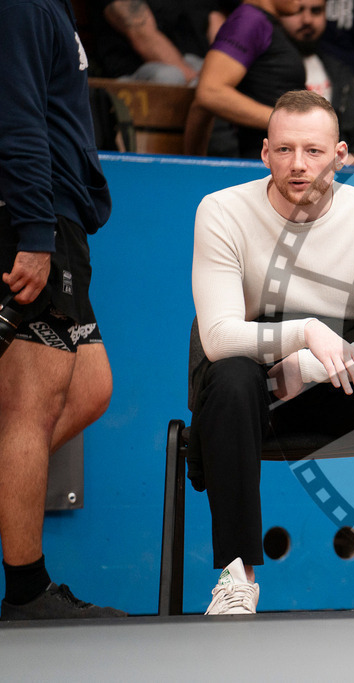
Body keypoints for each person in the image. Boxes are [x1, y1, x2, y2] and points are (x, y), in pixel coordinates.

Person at [191, 90, 354, 613]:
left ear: (341, 155)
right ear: (264, 153)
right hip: (253, 385)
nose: (297, 165)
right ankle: (236, 577)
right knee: (231, 377)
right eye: (284, 150)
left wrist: (310, 365)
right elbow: (219, 336)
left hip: (339, 372)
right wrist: (304, 332)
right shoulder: (221, 210)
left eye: (313, 151)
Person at [0, 0, 125, 620]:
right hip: (35, 218)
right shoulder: (22, 5)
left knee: (92, 387)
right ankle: (26, 591)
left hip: (61, 221)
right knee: (30, 407)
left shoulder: (53, 6)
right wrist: (33, 232)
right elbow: (17, 120)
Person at [183, 0, 306, 158]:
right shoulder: (249, 20)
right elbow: (210, 92)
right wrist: (288, 122)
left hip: (284, 159)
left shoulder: (262, 22)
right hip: (263, 164)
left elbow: (202, 104)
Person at [279, 0, 354, 162]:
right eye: (298, 11)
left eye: (316, 11)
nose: (307, 20)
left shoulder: (339, 71)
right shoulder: (267, 71)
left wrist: (353, 160)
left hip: (337, 178)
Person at [92, 0, 228, 85]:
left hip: (199, 66)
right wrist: (205, 84)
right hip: (139, 75)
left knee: (235, 75)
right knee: (170, 76)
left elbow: (214, 17)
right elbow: (142, 36)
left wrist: (222, 72)